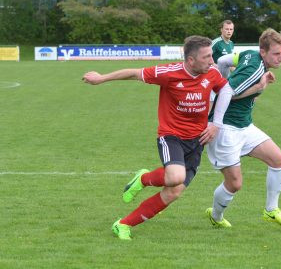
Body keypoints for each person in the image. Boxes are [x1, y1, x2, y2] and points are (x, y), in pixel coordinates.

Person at [82, 36, 266, 241]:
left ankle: (123, 224)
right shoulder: (169, 73)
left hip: (197, 140)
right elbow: (134, 73)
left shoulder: (212, 73)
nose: (212, 61)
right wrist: (101, 78)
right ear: (191, 60)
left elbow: (224, 89)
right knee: (175, 177)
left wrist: (216, 123)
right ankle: (144, 179)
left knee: (173, 192)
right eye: (206, 57)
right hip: (171, 136)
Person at [205, 28, 281, 228]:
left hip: (245, 126)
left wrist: (222, 82)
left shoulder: (248, 54)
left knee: (279, 160)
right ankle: (216, 216)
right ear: (263, 52)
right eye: (276, 54)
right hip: (226, 130)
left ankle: (271, 210)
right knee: (234, 184)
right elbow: (227, 91)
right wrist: (258, 88)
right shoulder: (254, 68)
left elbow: (222, 62)